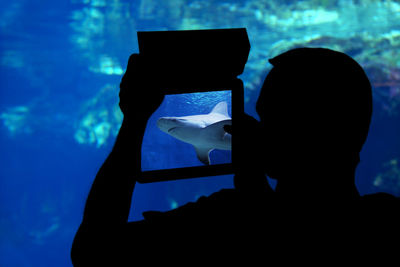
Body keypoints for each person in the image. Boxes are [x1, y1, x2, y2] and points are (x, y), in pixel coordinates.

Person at [71, 48, 399, 265]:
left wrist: (134, 118)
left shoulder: (224, 223)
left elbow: (93, 252)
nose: (253, 126)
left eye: (265, 118)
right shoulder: (385, 222)